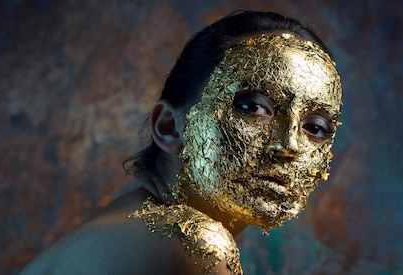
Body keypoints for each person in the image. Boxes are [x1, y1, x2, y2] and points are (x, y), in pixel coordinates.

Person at [22, 10, 342, 275]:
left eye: (315, 127)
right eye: (253, 107)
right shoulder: (192, 242)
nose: (290, 145)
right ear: (168, 128)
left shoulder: (126, 226)